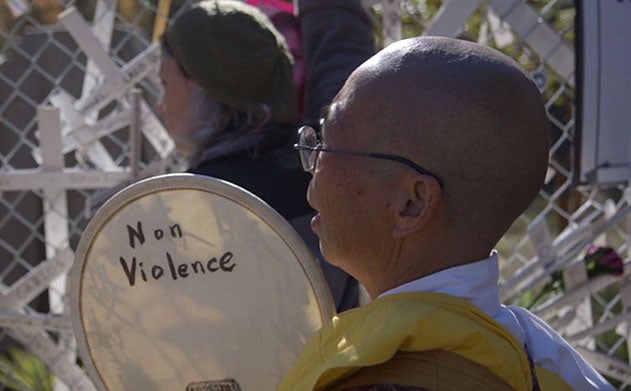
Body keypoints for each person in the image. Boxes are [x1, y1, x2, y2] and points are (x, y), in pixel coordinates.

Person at [281, 36, 615, 390]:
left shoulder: (391, 377)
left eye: (328, 141)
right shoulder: (550, 360)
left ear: (412, 204)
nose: (313, 161)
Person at [157, 0, 369, 312]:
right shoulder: (330, 161)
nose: (160, 106)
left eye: (164, 84)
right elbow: (341, 51)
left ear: (199, 83)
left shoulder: (192, 198)